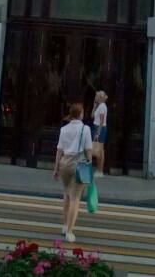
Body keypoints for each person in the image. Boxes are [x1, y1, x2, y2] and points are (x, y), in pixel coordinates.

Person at [53, 102, 92, 244]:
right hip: (79, 164)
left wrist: (56, 168)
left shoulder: (64, 129)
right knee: (75, 198)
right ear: (80, 114)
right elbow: (88, 150)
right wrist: (89, 165)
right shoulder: (85, 129)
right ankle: (70, 231)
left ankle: (65, 225)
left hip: (64, 163)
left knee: (66, 195)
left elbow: (59, 150)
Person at [91, 90, 108, 177]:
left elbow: (101, 121)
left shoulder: (102, 106)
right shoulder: (99, 106)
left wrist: (98, 132)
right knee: (99, 149)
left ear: (100, 98)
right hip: (97, 127)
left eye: (96, 96)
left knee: (100, 150)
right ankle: (99, 170)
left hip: (100, 128)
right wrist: (94, 107)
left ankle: (100, 170)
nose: (95, 98)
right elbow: (92, 116)